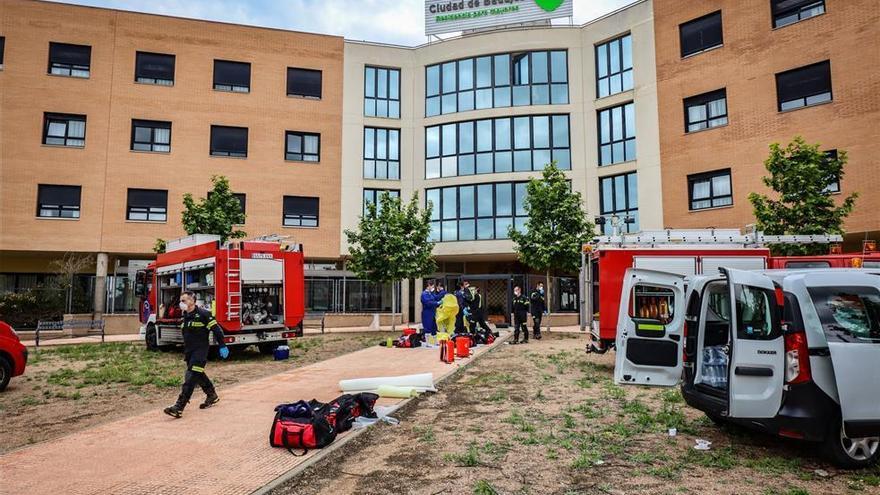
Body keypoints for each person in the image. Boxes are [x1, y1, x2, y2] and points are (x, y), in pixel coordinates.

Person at [164, 290, 229, 418]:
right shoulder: (185, 316)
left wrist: (222, 345)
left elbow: (217, 330)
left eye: (184, 300)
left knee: (190, 377)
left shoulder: (204, 314)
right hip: (189, 353)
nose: (182, 303)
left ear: (192, 301)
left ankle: (179, 407)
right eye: (181, 301)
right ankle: (212, 395)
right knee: (198, 375)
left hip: (200, 353)